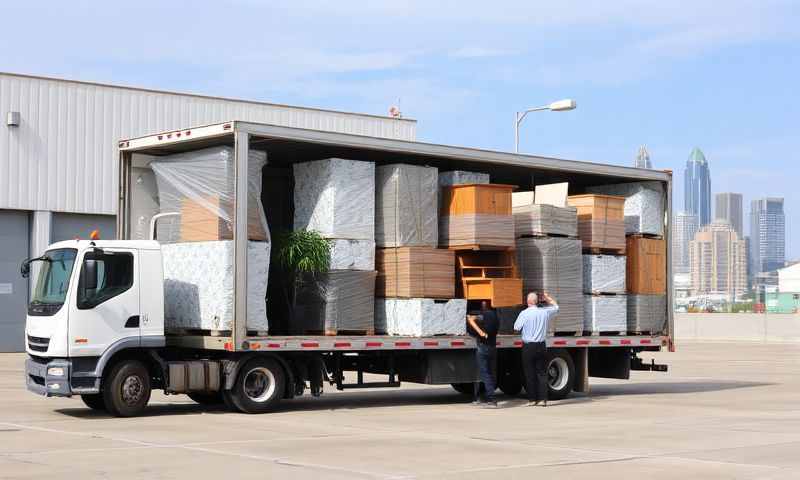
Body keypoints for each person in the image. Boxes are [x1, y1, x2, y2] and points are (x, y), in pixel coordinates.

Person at [514, 291, 559, 407]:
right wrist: (548, 298)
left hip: (528, 346)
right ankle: (543, 400)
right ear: (537, 301)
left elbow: (516, 327)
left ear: (527, 302)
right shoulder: (544, 312)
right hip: (541, 345)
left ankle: (532, 399)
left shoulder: (524, 313)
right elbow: (556, 307)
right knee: (542, 373)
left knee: (529, 373)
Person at [467, 301, 499, 408]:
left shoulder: (484, 316)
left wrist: (472, 322)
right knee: (490, 372)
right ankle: (482, 397)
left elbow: (481, 333)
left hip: (483, 347)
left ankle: (492, 400)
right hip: (493, 347)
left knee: (485, 373)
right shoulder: (495, 316)